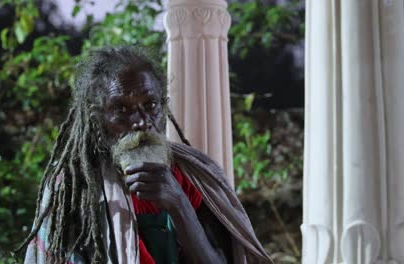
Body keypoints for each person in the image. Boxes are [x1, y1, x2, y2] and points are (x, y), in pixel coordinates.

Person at [17, 46, 273, 264]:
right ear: (97, 118)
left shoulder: (193, 176)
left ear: (163, 106)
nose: (141, 122)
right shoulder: (76, 188)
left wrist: (179, 205)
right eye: (121, 109)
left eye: (150, 105)